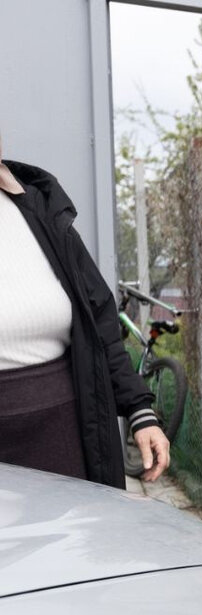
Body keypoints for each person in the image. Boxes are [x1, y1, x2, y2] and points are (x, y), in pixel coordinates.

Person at [0, 141, 170, 486]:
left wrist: (140, 410)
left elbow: (100, 319)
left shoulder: (38, 207)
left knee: (74, 539)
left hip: (62, 434)